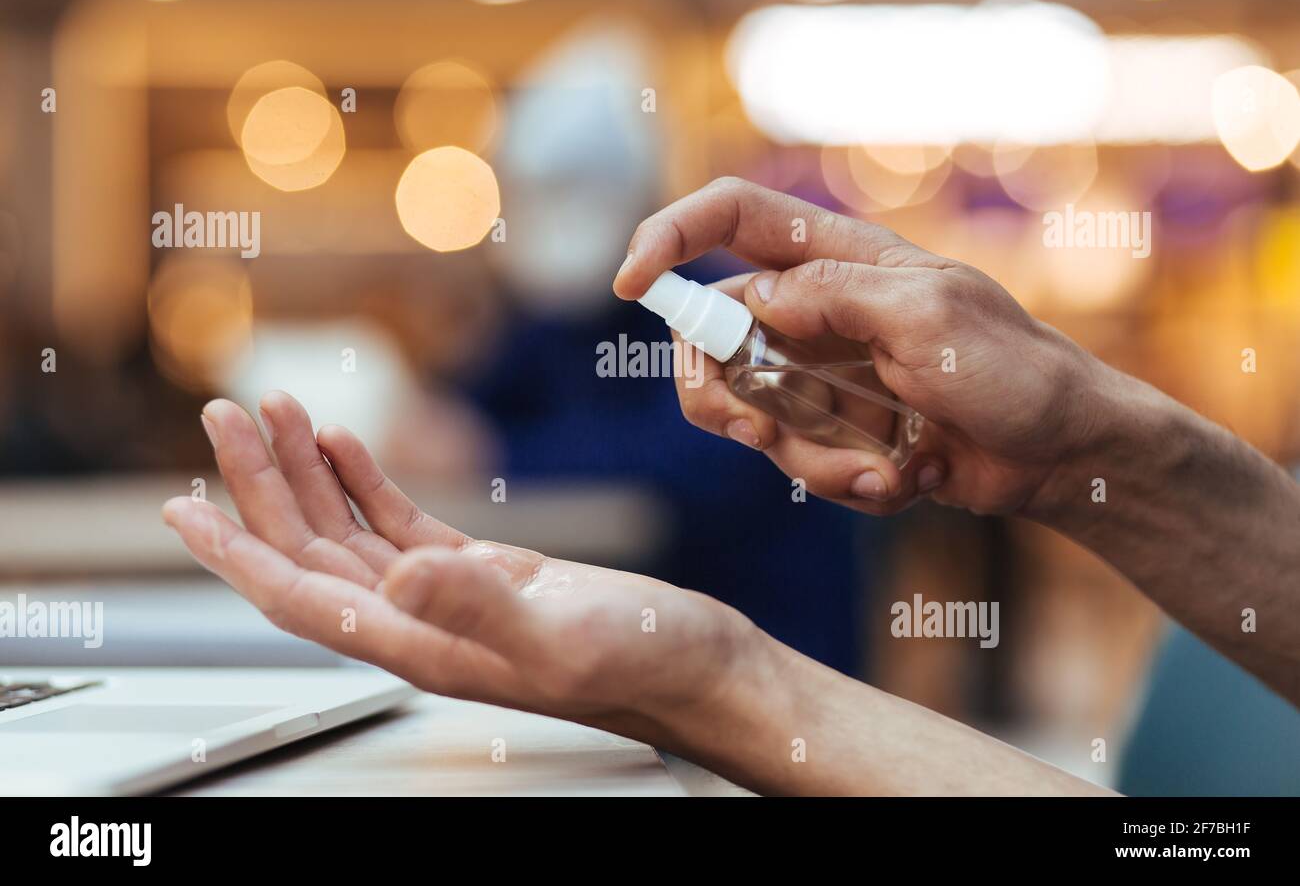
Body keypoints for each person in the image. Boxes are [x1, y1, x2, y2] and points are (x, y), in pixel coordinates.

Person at [162, 178, 1300, 795]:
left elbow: (675, 466)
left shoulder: (725, 303)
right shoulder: (618, 314)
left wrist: (733, 690)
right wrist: (1082, 437)